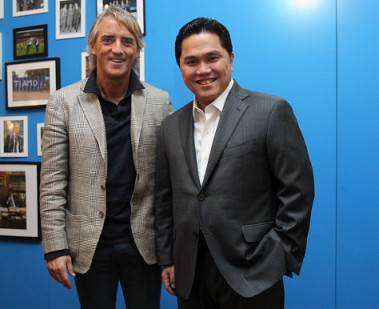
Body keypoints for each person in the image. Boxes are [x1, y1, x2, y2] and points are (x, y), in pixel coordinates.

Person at [155, 18, 314, 309]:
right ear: (180, 66)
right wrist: (168, 258)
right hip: (190, 277)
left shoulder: (270, 111)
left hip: (253, 274)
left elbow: (297, 192)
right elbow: (164, 200)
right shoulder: (170, 127)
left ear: (231, 58)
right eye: (191, 61)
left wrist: (278, 256)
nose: (202, 70)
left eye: (212, 57)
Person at [40, 7, 172, 309]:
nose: (117, 49)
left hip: (144, 246)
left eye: (127, 41)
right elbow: (52, 181)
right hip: (89, 247)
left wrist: (170, 250)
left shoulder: (160, 101)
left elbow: (167, 182)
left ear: (137, 50)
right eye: (108, 40)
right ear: (93, 46)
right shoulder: (63, 102)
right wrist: (54, 247)